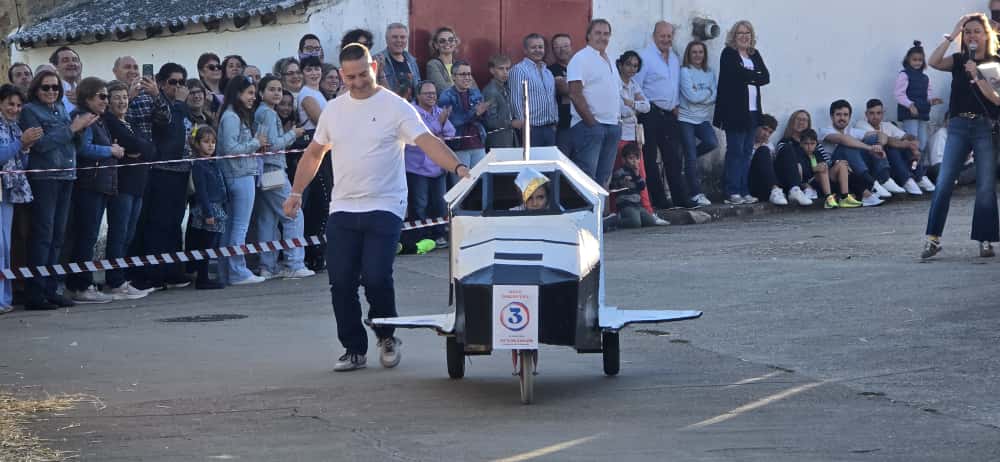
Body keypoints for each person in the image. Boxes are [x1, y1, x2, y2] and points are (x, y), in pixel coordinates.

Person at [282, 43, 470, 372]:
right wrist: (296, 191)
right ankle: (353, 349)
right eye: (350, 77)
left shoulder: (395, 107)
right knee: (340, 280)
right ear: (342, 75)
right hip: (343, 207)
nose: (357, 82)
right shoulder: (334, 110)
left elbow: (428, 142)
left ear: (375, 67)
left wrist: (459, 169)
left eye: (363, 74)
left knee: (376, 276)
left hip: (385, 204)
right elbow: (314, 153)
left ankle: (386, 335)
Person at [923, 13, 1000, 259]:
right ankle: (933, 239)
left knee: (986, 186)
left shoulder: (993, 63)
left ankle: (985, 239)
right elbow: (933, 61)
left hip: (984, 127)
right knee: (944, 182)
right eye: (967, 32)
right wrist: (953, 34)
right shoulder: (958, 60)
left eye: (976, 31)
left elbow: (997, 98)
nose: (971, 36)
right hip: (957, 125)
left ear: (986, 34)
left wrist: (977, 76)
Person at [20, 70, 97, 309]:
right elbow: (40, 145)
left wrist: (82, 129)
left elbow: (75, 143)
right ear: (36, 89)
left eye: (55, 88)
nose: (51, 91)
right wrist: (72, 128)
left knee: (57, 237)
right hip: (45, 177)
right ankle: (35, 292)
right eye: (46, 87)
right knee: (43, 235)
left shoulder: (62, 109)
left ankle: (51, 288)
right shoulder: (30, 111)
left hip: (67, 174)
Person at [63, 78, 123, 303]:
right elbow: (84, 148)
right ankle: (80, 285)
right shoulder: (84, 117)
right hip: (89, 184)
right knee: (85, 237)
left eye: (107, 96)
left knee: (89, 235)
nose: (106, 101)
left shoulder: (98, 119)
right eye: (102, 96)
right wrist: (111, 150)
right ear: (87, 97)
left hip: (100, 183)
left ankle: (82, 283)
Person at [136, 63, 195, 292]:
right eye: (173, 82)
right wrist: (179, 104)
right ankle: (155, 273)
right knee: (158, 225)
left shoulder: (182, 106)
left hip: (182, 172)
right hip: (162, 171)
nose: (178, 87)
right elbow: (173, 134)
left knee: (174, 224)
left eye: (182, 82)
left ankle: (172, 270)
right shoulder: (161, 105)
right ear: (161, 83)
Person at [254, 75, 313, 280]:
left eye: (279, 89)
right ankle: (294, 263)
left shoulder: (264, 113)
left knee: (268, 220)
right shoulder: (268, 114)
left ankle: (267, 266)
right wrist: (293, 134)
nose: (277, 93)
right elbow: (271, 145)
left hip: (265, 170)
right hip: (273, 170)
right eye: (272, 89)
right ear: (261, 93)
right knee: (293, 213)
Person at [103, 80, 156, 299]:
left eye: (125, 97)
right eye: (116, 97)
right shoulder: (110, 122)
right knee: (119, 233)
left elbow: (151, 148)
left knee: (129, 235)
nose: (122, 101)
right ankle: (115, 281)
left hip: (138, 185)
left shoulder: (130, 121)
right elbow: (133, 144)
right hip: (121, 186)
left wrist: (137, 148)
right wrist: (135, 147)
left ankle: (122, 277)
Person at [634, 21, 694, 209]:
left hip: (670, 114)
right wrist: (643, 107)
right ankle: (658, 200)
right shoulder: (644, 57)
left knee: (673, 158)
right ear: (654, 36)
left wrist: (675, 105)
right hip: (650, 113)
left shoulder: (674, 58)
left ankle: (680, 199)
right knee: (650, 159)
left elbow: (674, 85)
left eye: (669, 36)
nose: (666, 39)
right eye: (662, 36)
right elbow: (636, 85)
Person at [217, 76, 267, 285]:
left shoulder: (233, 116)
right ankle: (237, 271)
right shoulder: (232, 117)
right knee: (239, 227)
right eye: (249, 93)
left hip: (240, 174)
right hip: (239, 175)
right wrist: (256, 143)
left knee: (232, 227)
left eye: (254, 94)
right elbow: (230, 149)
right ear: (238, 93)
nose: (252, 98)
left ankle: (228, 271)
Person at [714, 20, 770, 206]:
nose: (744, 36)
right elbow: (737, 75)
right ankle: (732, 191)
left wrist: (749, 76)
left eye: (747, 33)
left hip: (753, 112)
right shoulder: (728, 54)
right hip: (735, 112)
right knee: (735, 151)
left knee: (747, 152)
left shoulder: (754, 54)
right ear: (734, 36)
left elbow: (766, 77)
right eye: (740, 33)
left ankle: (744, 190)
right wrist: (753, 76)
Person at [568, 19, 622, 186]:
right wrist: (592, 124)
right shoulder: (580, 58)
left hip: (612, 126)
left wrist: (617, 121)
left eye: (606, 34)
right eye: (598, 33)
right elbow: (575, 94)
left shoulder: (610, 59)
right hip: (590, 127)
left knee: (604, 178)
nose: (602, 37)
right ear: (588, 35)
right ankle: (587, 212)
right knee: (587, 179)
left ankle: (600, 213)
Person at [0, 84, 37, 313]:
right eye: (10, 104)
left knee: (5, 247)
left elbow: (20, 165)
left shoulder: (13, 126)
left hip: (9, 192)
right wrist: (21, 143)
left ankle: (5, 298)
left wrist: (25, 149)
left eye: (18, 105)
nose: (15, 109)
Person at [407, 80, 455, 247]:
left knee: (440, 203)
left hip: (438, 167)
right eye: (427, 93)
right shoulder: (411, 112)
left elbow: (451, 131)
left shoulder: (439, 111)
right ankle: (420, 236)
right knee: (420, 204)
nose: (431, 96)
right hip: (418, 168)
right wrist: (438, 124)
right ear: (418, 95)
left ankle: (439, 235)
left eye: (434, 93)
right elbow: (422, 134)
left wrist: (440, 125)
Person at [819, 100, 893, 204]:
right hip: (834, 169)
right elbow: (842, 139)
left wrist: (878, 146)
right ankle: (872, 184)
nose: (842, 118)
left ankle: (884, 178)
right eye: (838, 115)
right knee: (847, 146)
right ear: (832, 117)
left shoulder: (852, 131)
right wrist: (870, 148)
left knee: (873, 139)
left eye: (845, 115)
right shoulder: (825, 131)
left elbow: (881, 135)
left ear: (849, 117)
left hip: (852, 166)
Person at [855, 98, 933, 195]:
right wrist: (905, 144)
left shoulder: (887, 125)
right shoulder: (861, 124)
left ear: (883, 113)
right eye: (872, 113)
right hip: (875, 165)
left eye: (878, 113)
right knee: (891, 147)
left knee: (910, 150)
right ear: (866, 114)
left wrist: (913, 142)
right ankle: (903, 180)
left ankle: (918, 176)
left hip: (893, 165)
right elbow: (887, 139)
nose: (875, 116)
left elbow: (906, 136)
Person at [612, 50, 655, 215]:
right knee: (619, 176)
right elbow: (621, 111)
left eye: (635, 66)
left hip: (634, 137)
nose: (632, 69)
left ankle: (647, 211)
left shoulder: (633, 84)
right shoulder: (615, 83)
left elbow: (647, 106)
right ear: (621, 65)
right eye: (629, 64)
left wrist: (631, 104)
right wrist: (633, 107)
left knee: (640, 174)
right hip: (620, 135)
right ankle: (617, 212)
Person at [678, 41, 718, 207]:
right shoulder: (685, 71)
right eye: (694, 52)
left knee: (711, 142)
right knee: (691, 157)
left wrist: (701, 93)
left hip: (702, 119)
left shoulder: (709, 72)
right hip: (686, 118)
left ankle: (689, 159)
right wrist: (706, 93)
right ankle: (696, 193)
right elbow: (691, 97)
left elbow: (715, 96)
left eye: (700, 52)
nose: (697, 55)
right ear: (689, 54)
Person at [187, 125, 227, 290]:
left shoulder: (213, 163)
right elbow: (201, 191)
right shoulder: (199, 165)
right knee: (206, 245)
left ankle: (207, 276)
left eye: (213, 142)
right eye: (206, 142)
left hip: (218, 206)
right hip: (208, 209)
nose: (210, 145)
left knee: (213, 244)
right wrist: (208, 212)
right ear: (197, 144)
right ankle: (202, 278)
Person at [439, 61, 489, 183]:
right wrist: (475, 113)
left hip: (478, 143)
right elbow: (452, 121)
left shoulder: (475, 93)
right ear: (453, 77)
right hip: (458, 146)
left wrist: (483, 113)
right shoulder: (446, 95)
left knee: (480, 183)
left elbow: (485, 119)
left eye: (469, 74)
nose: (467, 77)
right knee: (460, 186)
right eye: (463, 74)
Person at [509, 33, 560, 147]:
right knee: (531, 164)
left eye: (540, 47)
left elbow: (552, 99)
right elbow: (516, 99)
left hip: (549, 129)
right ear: (525, 50)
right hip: (531, 129)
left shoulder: (548, 72)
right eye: (533, 47)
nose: (538, 50)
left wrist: (555, 122)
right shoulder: (519, 70)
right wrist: (524, 125)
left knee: (547, 164)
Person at [896, 41, 945, 154]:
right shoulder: (904, 75)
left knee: (922, 142)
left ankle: (919, 168)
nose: (917, 62)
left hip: (922, 112)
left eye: (920, 60)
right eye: (914, 59)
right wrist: (910, 105)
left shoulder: (925, 77)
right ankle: (910, 168)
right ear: (908, 60)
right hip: (910, 113)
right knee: (912, 142)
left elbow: (928, 93)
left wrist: (931, 101)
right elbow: (899, 94)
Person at [610, 143, 670, 228]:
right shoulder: (620, 172)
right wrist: (622, 182)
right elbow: (612, 187)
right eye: (631, 158)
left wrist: (637, 175)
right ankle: (615, 222)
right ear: (624, 160)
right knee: (635, 223)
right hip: (626, 205)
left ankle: (633, 218)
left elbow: (642, 186)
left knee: (650, 221)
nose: (634, 161)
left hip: (637, 205)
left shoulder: (636, 173)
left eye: (637, 159)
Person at [481, 54, 519, 149]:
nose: (505, 72)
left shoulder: (505, 88)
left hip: (508, 139)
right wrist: (512, 123)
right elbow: (490, 122)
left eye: (507, 68)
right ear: (492, 70)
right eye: (501, 69)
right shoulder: (490, 91)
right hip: (497, 141)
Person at [425, 27, 477, 95]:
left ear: (455, 43)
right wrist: (465, 87)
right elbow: (443, 90)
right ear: (436, 45)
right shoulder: (432, 65)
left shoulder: (461, 65)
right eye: (442, 41)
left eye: (451, 40)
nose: (447, 43)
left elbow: (475, 89)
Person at [746, 114, 783, 205]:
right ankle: (775, 190)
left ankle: (792, 189)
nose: (766, 134)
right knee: (763, 150)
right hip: (752, 185)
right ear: (756, 127)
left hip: (767, 185)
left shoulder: (770, 146)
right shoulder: (746, 143)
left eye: (770, 132)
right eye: (764, 129)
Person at [377, 23, 422, 94]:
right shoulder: (377, 60)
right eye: (395, 37)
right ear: (387, 39)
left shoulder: (412, 61)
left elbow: (418, 87)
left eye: (402, 37)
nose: (399, 40)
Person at [549, 34, 575, 155]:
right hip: (563, 125)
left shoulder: (580, 67)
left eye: (565, 46)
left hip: (583, 123)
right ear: (553, 50)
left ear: (571, 47)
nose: (562, 49)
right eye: (557, 47)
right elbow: (564, 89)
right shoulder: (550, 70)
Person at [297, 57, 326, 131]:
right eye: (309, 70)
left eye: (317, 69)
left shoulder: (317, 92)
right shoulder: (306, 94)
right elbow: (321, 123)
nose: (314, 73)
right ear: (302, 73)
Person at [50, 46, 81, 112]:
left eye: (75, 60)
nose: (72, 64)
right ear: (55, 66)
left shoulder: (85, 91)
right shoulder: (51, 91)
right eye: (65, 60)